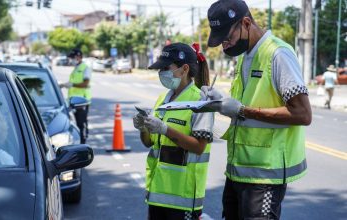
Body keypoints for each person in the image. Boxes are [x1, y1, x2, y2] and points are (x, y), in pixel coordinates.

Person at [202, 0, 312, 219]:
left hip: (265, 176)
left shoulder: (277, 54)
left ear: (245, 23)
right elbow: (250, 100)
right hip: (237, 171)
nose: (225, 46)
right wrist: (222, 100)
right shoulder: (246, 57)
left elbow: (303, 114)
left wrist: (242, 110)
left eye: (228, 38)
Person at [133, 43, 216, 220]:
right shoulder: (163, 99)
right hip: (157, 194)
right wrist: (143, 128)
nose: (161, 72)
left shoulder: (200, 102)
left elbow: (199, 147)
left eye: (165, 68)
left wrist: (165, 129)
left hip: (183, 198)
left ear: (184, 69)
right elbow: (150, 143)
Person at [60, 48, 92, 144]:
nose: (71, 60)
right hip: (73, 101)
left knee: (81, 123)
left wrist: (72, 85)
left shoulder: (85, 68)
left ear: (78, 57)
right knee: (76, 124)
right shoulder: (77, 68)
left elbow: (85, 83)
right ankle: (79, 142)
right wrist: (64, 85)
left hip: (82, 101)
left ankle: (83, 143)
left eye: (72, 58)